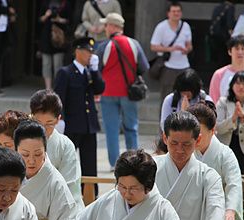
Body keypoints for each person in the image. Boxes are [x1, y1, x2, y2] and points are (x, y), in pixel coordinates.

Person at [5, 120, 79, 220]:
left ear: (45, 150)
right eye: (25, 155)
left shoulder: (55, 181)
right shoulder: (5, 169)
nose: (31, 161)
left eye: (38, 154)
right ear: (15, 150)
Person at [155, 111, 225, 220]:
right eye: (174, 143)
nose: (180, 150)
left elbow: (216, 208)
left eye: (186, 144)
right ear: (165, 138)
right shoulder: (150, 167)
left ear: (197, 140)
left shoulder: (208, 176)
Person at [95, 12, 149, 168]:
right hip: (129, 93)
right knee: (131, 128)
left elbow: (97, 69)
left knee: (111, 131)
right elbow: (144, 67)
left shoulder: (104, 46)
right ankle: (135, 162)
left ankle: (114, 164)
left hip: (108, 92)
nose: (105, 28)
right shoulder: (134, 44)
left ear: (112, 26)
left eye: (106, 25)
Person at [54, 37, 105, 188]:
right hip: (72, 125)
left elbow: (100, 89)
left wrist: (95, 71)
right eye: (87, 51)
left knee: (90, 164)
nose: (90, 55)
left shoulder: (89, 73)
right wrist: (60, 119)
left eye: (91, 52)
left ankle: (90, 193)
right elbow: (59, 98)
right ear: (77, 51)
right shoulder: (65, 72)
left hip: (89, 125)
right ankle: (63, 190)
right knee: (67, 162)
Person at [189, 103, 243, 220]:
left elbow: (234, 185)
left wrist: (230, 210)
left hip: (220, 215)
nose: (194, 138)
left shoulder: (225, 154)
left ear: (212, 131)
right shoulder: (186, 152)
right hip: (190, 216)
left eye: (198, 133)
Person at [29, 89, 83, 206]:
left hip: (59, 208)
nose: (42, 128)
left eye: (49, 123)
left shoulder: (65, 145)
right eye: (38, 122)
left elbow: (69, 187)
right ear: (31, 117)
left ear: (58, 119)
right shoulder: (20, 139)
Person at [149, 2, 192, 100]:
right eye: (173, 11)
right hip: (168, 67)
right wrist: (169, 49)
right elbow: (153, 46)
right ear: (168, 13)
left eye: (178, 11)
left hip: (184, 65)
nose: (176, 13)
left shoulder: (185, 26)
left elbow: (190, 45)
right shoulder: (161, 27)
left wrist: (186, 50)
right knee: (167, 96)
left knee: (185, 95)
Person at [38, 0, 70, 90]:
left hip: (59, 37)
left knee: (58, 64)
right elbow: (39, 20)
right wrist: (46, 15)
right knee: (46, 63)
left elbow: (70, 20)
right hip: (46, 36)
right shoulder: (45, 3)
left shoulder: (65, 3)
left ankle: (57, 87)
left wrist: (59, 19)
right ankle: (48, 88)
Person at [209, 35, 244, 103]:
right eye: (237, 48)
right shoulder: (219, 74)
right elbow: (213, 101)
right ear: (229, 51)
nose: (240, 52)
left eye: (243, 49)